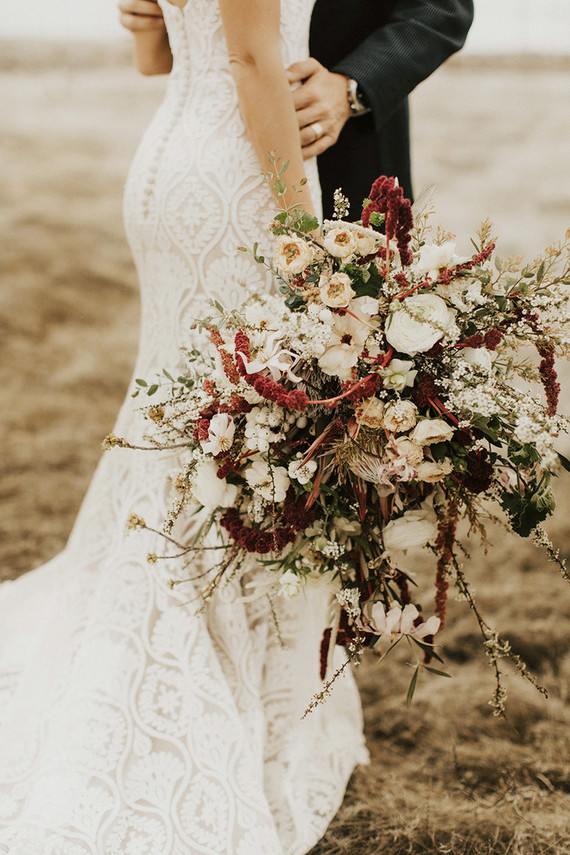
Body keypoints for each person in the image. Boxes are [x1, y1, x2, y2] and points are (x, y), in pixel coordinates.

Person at [0, 1, 367, 852]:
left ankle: (234, 651)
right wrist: (299, 234)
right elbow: (247, 59)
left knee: (199, 424)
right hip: (235, 175)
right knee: (230, 427)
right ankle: (198, 668)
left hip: (179, 153)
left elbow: (155, 56)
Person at [118, 0, 474, 217]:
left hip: (351, 148)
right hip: (230, 175)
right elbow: (236, 57)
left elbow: (443, 7)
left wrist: (352, 86)